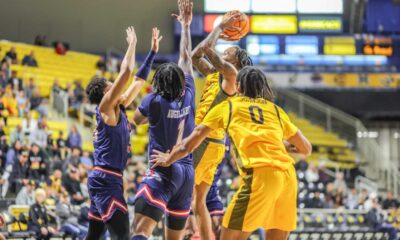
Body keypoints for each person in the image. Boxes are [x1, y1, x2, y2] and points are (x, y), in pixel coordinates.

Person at [152, 66, 312, 240]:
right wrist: (280, 145)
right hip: (288, 178)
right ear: (262, 88)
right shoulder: (276, 111)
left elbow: (190, 143)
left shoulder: (228, 106)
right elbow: (306, 149)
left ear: (238, 87)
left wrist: (169, 158)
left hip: (260, 176)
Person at [84, 26, 160, 240]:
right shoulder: (105, 107)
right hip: (106, 180)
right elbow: (126, 73)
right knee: (122, 236)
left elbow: (137, 81)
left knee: (94, 236)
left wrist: (153, 53)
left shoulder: (118, 108)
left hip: (107, 178)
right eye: (112, 86)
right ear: (106, 93)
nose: (117, 88)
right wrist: (132, 44)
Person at [132, 1, 194, 239]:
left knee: (141, 230)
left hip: (164, 170)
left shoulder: (153, 101)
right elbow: (185, 56)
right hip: (187, 173)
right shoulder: (188, 92)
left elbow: (137, 120)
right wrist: (186, 27)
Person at [190, 10, 253, 240]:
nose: (226, 49)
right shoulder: (215, 74)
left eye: (230, 51)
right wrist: (218, 31)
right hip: (208, 141)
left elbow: (207, 49)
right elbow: (196, 56)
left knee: (183, 195)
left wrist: (219, 27)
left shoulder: (232, 74)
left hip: (206, 140)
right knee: (198, 203)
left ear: (235, 60)